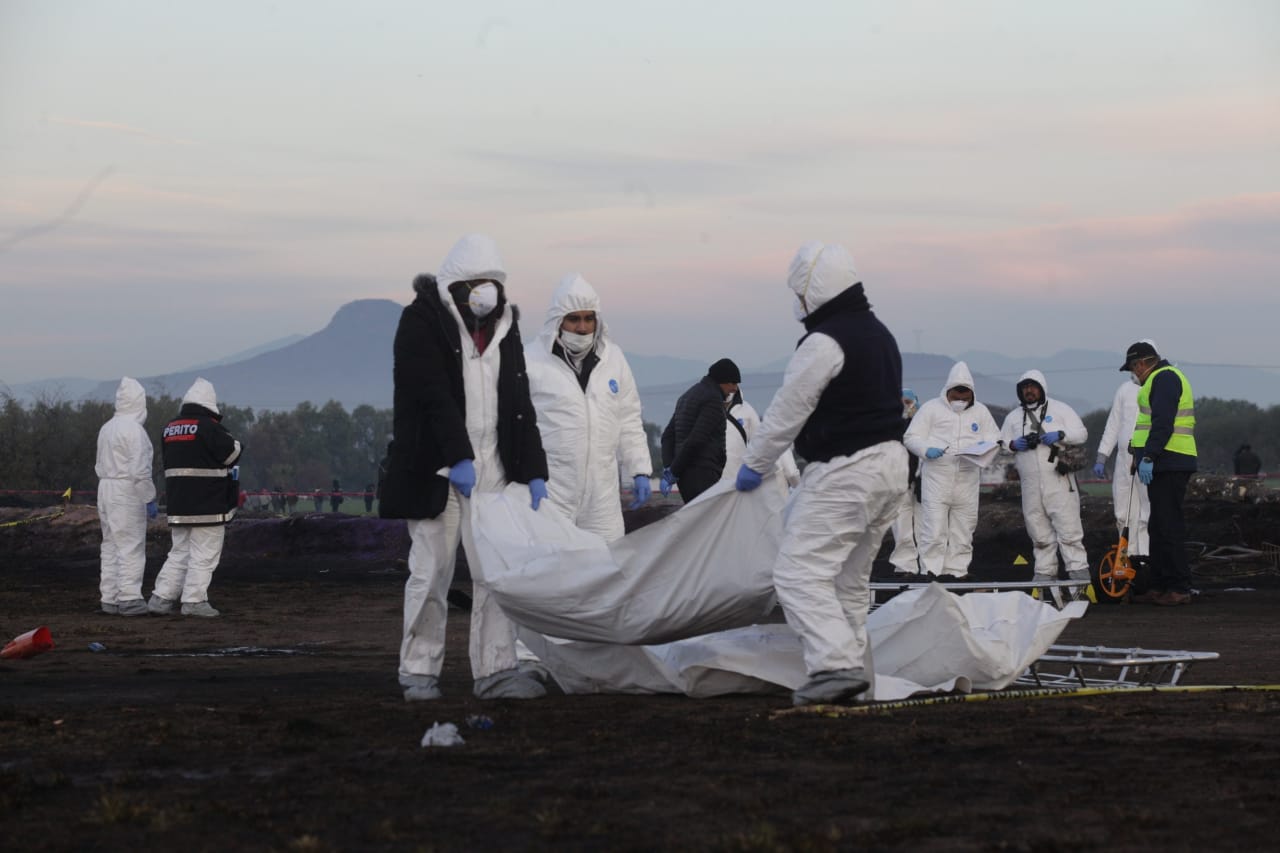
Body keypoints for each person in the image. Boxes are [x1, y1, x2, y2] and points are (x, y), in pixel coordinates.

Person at [378, 233, 550, 701]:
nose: (485, 291)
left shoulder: (506, 327)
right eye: (477, 282)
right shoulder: (421, 323)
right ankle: (419, 668)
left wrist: (533, 468)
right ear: (455, 284)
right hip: (437, 469)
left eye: (492, 282)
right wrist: (457, 457)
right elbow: (430, 395)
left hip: (493, 468)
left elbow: (519, 401)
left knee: (494, 570)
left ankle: (497, 668)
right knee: (431, 569)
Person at [735, 240, 907, 707]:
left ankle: (833, 667)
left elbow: (788, 412)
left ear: (813, 292)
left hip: (848, 470)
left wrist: (754, 465)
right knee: (848, 583)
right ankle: (859, 678)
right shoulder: (880, 335)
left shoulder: (825, 342)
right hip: (891, 468)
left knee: (797, 572)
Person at [525, 272, 652, 542]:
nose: (582, 328)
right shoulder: (531, 362)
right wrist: (526, 476)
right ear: (557, 321)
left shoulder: (613, 359)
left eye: (588, 318)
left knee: (604, 569)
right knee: (550, 570)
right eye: (573, 319)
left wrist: (639, 469)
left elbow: (628, 418)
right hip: (552, 491)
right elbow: (518, 426)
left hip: (602, 496)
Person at [147, 378, 242, 618]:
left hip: (179, 504)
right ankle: (194, 600)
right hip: (208, 503)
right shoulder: (209, 427)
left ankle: (161, 598)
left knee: (179, 552)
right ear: (210, 404)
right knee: (205, 554)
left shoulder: (170, 428)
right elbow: (232, 454)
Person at [902, 363, 1000, 580]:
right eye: (957, 395)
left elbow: (995, 439)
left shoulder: (980, 412)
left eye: (965, 397)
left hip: (967, 478)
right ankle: (931, 572)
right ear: (948, 390)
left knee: (963, 530)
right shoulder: (930, 409)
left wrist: (981, 453)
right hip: (937, 478)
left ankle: (957, 572)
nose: (960, 400)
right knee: (934, 530)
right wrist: (927, 450)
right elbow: (911, 437)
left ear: (972, 394)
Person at [1122, 341, 1198, 606]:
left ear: (1141, 363)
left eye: (1133, 368)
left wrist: (1150, 456)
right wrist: (1139, 455)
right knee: (1157, 525)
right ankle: (1160, 584)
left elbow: (1163, 423)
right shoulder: (1158, 379)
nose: (1134, 374)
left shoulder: (1164, 379)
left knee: (1169, 525)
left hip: (1171, 460)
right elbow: (1146, 424)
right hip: (1162, 461)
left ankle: (1178, 587)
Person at [999, 370, 1090, 587]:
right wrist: (1013, 444)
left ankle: (1080, 581)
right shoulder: (1013, 417)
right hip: (1030, 485)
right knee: (1039, 534)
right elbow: (1001, 443)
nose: (1029, 391)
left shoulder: (1060, 410)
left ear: (1042, 388)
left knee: (1069, 531)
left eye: (1033, 386)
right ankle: (1044, 579)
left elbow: (1082, 433)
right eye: (1025, 387)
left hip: (1059, 481)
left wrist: (1061, 434)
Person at [94, 377, 158, 616]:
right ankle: (130, 598)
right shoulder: (135, 431)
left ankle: (109, 598)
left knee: (110, 544)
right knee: (130, 545)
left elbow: (99, 462)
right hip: (125, 490)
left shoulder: (107, 427)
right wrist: (149, 497)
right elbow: (140, 470)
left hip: (105, 488)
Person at [661, 358, 741, 503]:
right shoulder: (713, 400)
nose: (735, 389)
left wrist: (669, 469)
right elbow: (696, 440)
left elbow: (667, 437)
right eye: (733, 383)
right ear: (723, 381)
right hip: (703, 474)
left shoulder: (686, 397)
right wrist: (673, 471)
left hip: (684, 479)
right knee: (710, 523)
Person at [1094, 364, 1151, 557]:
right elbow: (1114, 424)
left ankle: (1145, 558)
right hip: (1124, 459)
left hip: (1147, 458)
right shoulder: (1124, 391)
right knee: (1123, 511)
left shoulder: (1156, 387)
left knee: (1146, 512)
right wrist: (1103, 455)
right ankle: (1127, 556)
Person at [722, 386, 801, 495]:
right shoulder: (780, 440)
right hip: (777, 494)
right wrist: (799, 489)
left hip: (754, 491)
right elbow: (791, 472)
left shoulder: (760, 432)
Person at [888, 388, 922, 575]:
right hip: (899, 485)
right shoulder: (890, 428)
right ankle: (904, 566)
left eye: (908, 403)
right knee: (901, 528)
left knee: (924, 527)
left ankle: (927, 566)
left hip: (921, 486)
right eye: (901, 403)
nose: (905, 407)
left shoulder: (924, 426)